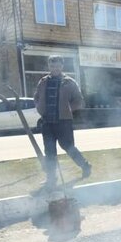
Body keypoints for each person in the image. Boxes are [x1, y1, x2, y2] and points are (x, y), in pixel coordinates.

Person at [34, 55, 91, 188]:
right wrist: (39, 108)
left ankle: (85, 166)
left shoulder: (69, 82)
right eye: (52, 66)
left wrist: (68, 109)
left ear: (62, 67)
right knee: (49, 151)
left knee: (68, 147)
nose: (55, 68)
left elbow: (79, 100)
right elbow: (36, 97)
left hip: (63, 122)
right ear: (49, 66)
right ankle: (51, 178)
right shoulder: (42, 82)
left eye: (57, 66)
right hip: (47, 122)